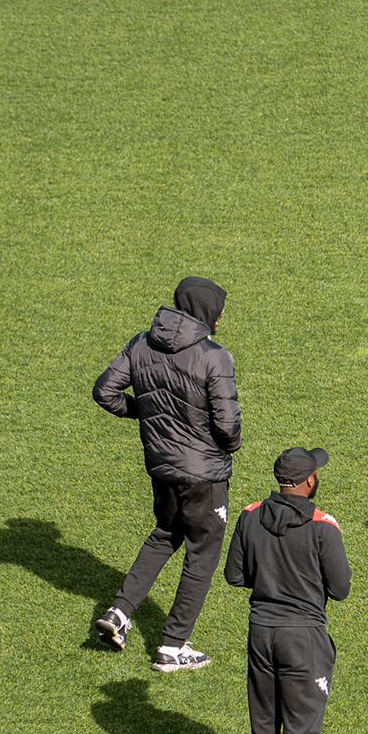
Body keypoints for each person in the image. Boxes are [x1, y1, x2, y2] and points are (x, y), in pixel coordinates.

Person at [93, 277, 240, 674]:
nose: (221, 318)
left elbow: (105, 392)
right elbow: (228, 427)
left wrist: (149, 413)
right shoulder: (214, 356)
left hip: (162, 466)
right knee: (202, 555)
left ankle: (119, 612)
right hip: (204, 475)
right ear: (207, 312)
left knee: (165, 534)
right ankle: (173, 647)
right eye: (220, 311)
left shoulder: (141, 343)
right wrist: (229, 446)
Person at [223, 447, 352, 734]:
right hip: (303, 640)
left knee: (265, 727)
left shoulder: (249, 516)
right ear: (309, 481)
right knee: (301, 732)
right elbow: (341, 589)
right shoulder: (323, 526)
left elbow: (234, 575)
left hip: (260, 633)